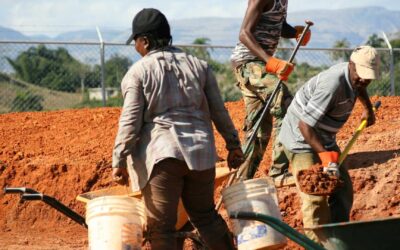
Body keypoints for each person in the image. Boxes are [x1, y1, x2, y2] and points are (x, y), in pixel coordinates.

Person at [111, 8, 244, 250]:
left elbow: (130, 122)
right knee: (205, 216)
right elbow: (219, 111)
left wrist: (118, 158)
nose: (135, 48)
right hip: (201, 154)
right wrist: (233, 145)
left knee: (160, 227)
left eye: (137, 42)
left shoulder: (139, 72)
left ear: (146, 41)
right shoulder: (199, 66)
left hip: (162, 157)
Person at [278, 45, 380, 242]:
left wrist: (368, 107)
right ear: (351, 64)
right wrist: (326, 158)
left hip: (323, 136)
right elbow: (305, 125)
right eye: (361, 74)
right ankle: (317, 245)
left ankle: (337, 240)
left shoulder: (355, 79)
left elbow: (359, 86)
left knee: (342, 189)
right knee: (315, 194)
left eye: (369, 76)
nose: (364, 79)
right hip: (301, 139)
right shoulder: (332, 84)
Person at [230, 0, 311, 183]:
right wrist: (270, 61)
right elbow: (244, 33)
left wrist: (295, 33)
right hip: (249, 63)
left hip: (257, 65)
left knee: (259, 130)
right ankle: (278, 172)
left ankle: (241, 183)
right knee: (287, 105)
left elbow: (275, 26)